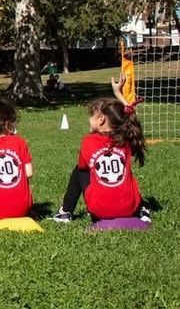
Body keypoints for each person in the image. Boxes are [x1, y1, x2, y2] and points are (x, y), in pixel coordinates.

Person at [52, 77, 150, 223]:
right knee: (125, 170)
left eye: (91, 116)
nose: (88, 119)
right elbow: (129, 116)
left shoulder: (89, 141)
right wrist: (119, 94)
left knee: (80, 170)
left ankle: (65, 211)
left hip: (99, 210)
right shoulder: (125, 140)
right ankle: (142, 208)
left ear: (101, 119)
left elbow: (83, 168)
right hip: (130, 208)